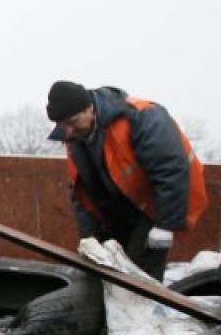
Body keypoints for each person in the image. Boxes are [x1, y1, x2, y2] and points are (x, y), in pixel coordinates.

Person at [46, 80, 207, 280]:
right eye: (62, 125)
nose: (68, 131)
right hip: (116, 211)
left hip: (152, 209)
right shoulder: (76, 135)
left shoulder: (142, 116)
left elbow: (170, 168)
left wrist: (166, 225)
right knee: (104, 277)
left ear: (89, 108)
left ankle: (145, 309)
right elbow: (82, 190)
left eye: (72, 121)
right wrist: (90, 237)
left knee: (139, 280)